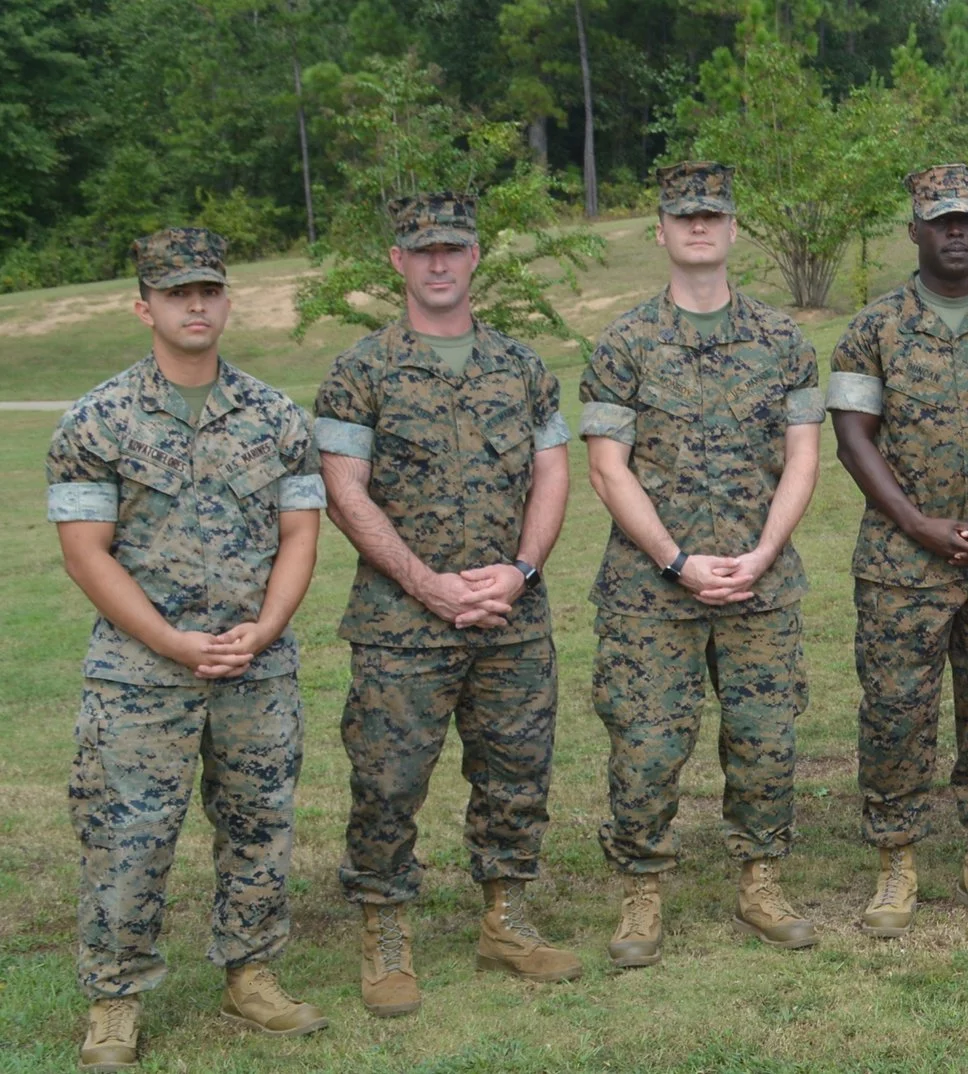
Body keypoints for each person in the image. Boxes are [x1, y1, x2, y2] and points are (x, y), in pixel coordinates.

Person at [50, 228, 330, 1071]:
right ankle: (115, 998)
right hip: (140, 676)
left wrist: (269, 627)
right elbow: (85, 549)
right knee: (127, 834)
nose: (196, 304)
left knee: (259, 825)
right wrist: (170, 640)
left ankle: (251, 973)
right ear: (145, 307)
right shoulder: (96, 420)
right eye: (178, 293)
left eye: (209, 289)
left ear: (228, 302)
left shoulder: (277, 417)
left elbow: (300, 534)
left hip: (256, 667)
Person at [314, 192, 581, 1017]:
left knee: (517, 775)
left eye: (454, 248)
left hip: (511, 616)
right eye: (422, 249)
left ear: (474, 258)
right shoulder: (361, 370)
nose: (439, 262)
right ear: (397, 261)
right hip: (401, 625)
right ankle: (385, 932)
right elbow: (343, 491)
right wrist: (425, 583)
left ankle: (507, 919)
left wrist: (522, 569)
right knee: (389, 781)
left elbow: (551, 473)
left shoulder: (522, 366)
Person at [579, 161, 824, 965]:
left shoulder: (782, 340)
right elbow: (608, 468)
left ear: (732, 228)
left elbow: (801, 456)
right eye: (683, 216)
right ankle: (642, 895)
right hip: (652, 592)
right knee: (646, 746)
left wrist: (763, 552)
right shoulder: (623, 344)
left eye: (712, 215)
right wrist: (676, 558)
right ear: (659, 231)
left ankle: (760, 882)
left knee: (764, 740)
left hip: (760, 584)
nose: (698, 226)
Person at [830, 163, 968, 936]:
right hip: (903, 565)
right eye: (941, 221)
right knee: (897, 714)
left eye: (966, 220)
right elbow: (852, 439)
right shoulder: (873, 329)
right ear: (916, 232)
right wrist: (916, 523)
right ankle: (897, 863)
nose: (955, 233)